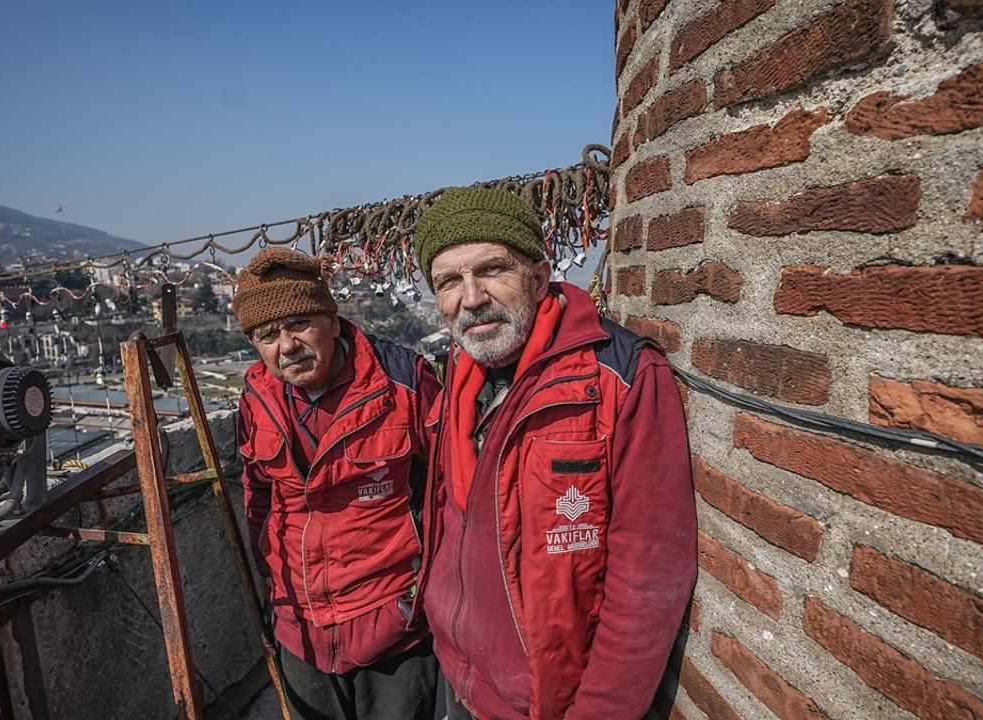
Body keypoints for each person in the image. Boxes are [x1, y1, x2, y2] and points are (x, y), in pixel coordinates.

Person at [410, 187, 697, 720]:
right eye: (449, 281)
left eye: (492, 270)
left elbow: (649, 579)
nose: (471, 298)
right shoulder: (460, 376)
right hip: (460, 678)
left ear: (539, 278)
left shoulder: (621, 378)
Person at [233, 248, 441, 720]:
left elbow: (449, 487)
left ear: (331, 319)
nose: (286, 346)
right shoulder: (254, 400)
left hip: (392, 624)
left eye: (299, 324)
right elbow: (257, 495)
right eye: (268, 335)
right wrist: (272, 572)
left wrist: (424, 594)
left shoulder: (402, 383)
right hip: (299, 626)